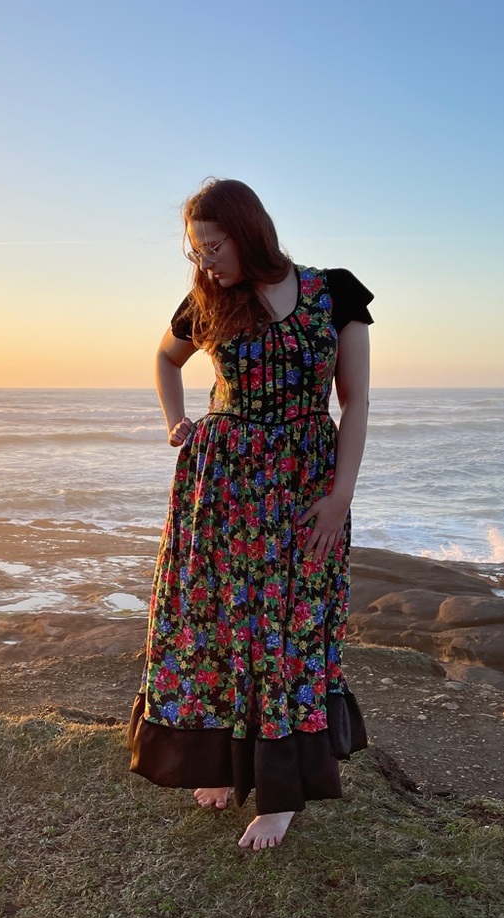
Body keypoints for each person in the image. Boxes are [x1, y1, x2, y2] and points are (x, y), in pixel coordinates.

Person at [127, 178, 372, 851]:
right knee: (221, 625)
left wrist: (340, 497)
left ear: (250, 230)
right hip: (221, 488)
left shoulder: (335, 293)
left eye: (214, 246)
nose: (205, 262)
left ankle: (281, 791)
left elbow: (355, 404)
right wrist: (176, 422)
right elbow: (165, 356)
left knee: (288, 630)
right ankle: (222, 764)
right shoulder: (209, 300)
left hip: (304, 489)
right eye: (196, 251)